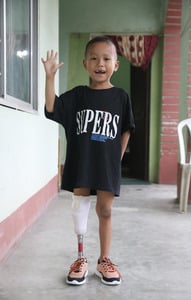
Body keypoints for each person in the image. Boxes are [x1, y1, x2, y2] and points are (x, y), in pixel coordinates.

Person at [42, 36, 135, 286]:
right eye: (94, 58)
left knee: (105, 210)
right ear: (85, 64)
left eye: (106, 58)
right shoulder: (78, 96)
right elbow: (52, 107)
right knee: (79, 208)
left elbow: (127, 128)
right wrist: (50, 77)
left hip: (106, 164)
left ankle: (104, 259)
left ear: (116, 65)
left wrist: (117, 157)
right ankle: (81, 258)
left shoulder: (120, 97)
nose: (100, 63)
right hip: (81, 162)